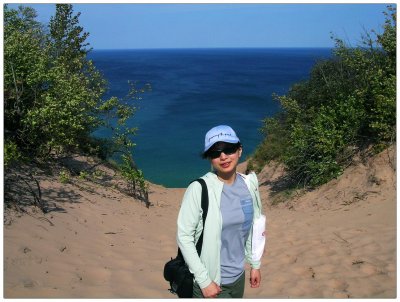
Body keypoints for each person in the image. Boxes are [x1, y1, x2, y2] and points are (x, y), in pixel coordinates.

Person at [176, 125, 265, 298]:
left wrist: (255, 265)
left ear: (239, 150)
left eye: (229, 149)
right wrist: (204, 281)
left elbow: (253, 228)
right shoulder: (199, 189)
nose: (223, 156)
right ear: (210, 158)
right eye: (215, 153)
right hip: (211, 282)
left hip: (238, 278)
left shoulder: (249, 184)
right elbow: (184, 236)